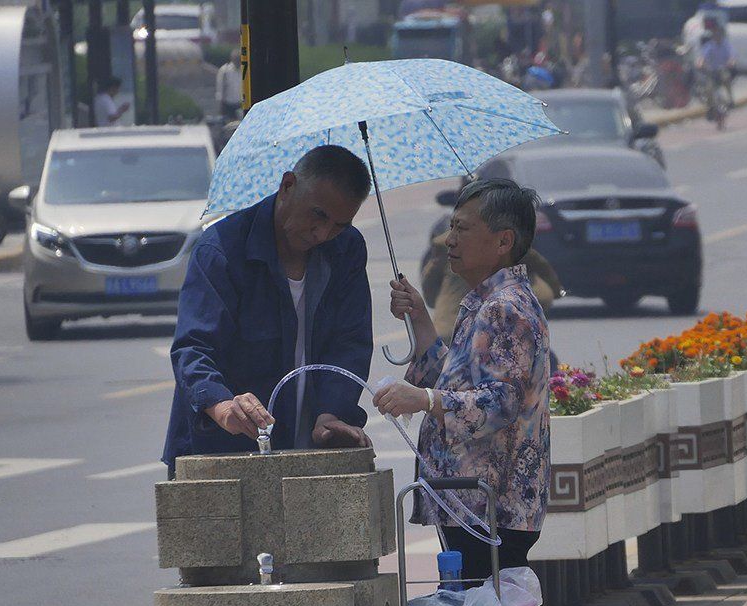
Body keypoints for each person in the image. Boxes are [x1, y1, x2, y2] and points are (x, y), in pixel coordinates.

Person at [375, 178, 552, 606]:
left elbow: (496, 405)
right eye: (452, 225)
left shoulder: (508, 308)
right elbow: (453, 372)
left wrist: (423, 402)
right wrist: (421, 320)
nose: (452, 237)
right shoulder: (486, 303)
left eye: (466, 227)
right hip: (470, 508)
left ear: (503, 240)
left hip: (492, 509)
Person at [162, 145, 375, 477]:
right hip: (222, 450)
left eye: (338, 224)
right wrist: (221, 406)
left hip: (311, 450)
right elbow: (193, 347)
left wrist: (332, 413)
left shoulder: (346, 249)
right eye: (318, 215)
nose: (322, 234)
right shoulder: (221, 250)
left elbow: (350, 342)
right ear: (287, 185)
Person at [421, 220, 563, 344]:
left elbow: (430, 294)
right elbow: (542, 268)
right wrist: (556, 291)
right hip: (492, 339)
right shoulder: (504, 239)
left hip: (448, 333)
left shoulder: (444, 244)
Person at [215, 49, 243, 122]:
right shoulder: (225, 70)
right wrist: (220, 105)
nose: (238, 61)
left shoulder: (244, 70)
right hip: (228, 104)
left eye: (239, 59)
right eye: (236, 59)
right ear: (232, 59)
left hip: (241, 103)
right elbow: (220, 88)